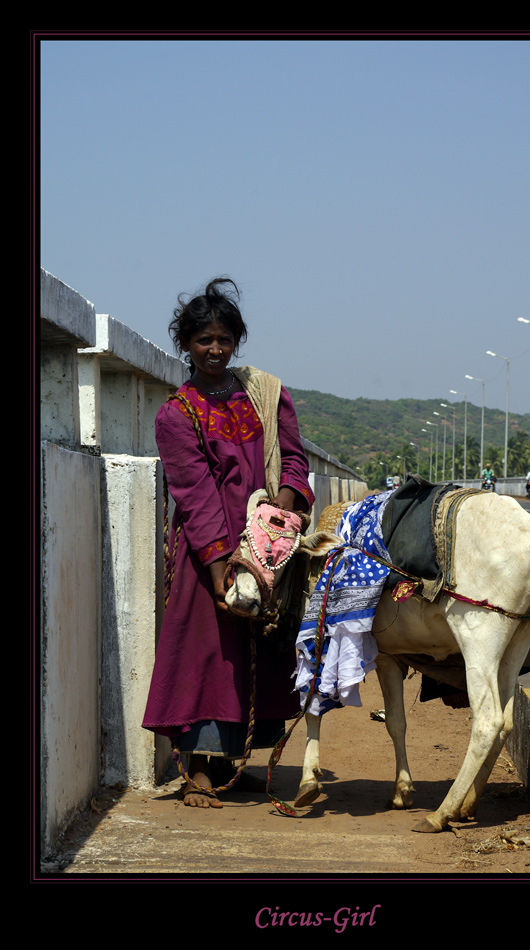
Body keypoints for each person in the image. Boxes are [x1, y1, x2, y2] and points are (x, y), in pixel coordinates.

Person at [142, 277, 314, 808]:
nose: (214, 350)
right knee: (204, 652)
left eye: (223, 339)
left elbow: (294, 457)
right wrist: (220, 564)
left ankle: (234, 757)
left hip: (268, 544)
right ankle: (196, 771)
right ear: (186, 346)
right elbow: (194, 493)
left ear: (236, 340)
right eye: (203, 341)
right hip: (206, 549)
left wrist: (282, 511)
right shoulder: (177, 413)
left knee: (259, 645)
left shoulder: (265, 394)